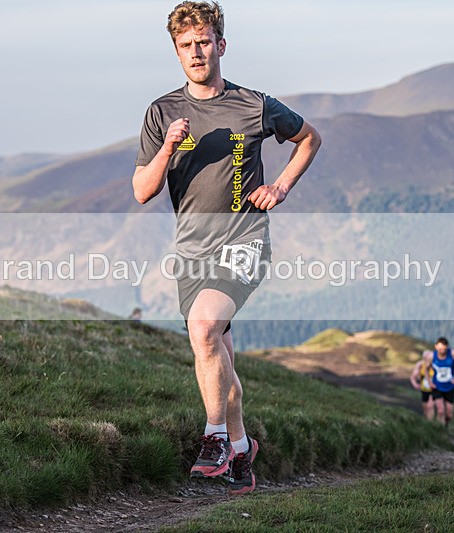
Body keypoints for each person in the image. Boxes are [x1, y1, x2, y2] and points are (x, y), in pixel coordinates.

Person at [132, 1, 321, 495]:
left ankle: (214, 436)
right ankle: (241, 448)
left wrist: (279, 187)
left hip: (244, 238)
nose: (196, 52)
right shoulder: (162, 112)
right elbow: (142, 190)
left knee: (204, 327)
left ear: (221, 44)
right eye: (185, 46)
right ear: (177, 53)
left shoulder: (253, 105)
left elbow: (308, 139)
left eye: (203, 42)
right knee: (215, 353)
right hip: (192, 249)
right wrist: (169, 148)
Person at [429, 337, 454, 428]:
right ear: (436, 346)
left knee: (449, 415)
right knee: (440, 411)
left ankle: (445, 425)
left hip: (450, 387)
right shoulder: (431, 356)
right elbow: (426, 368)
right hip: (437, 387)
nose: (441, 351)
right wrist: (430, 382)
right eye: (439, 349)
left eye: (444, 349)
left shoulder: (453, 354)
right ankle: (438, 429)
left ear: (447, 347)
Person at [410, 350, 435, 420]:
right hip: (424, 389)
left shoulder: (436, 365)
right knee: (425, 407)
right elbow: (413, 376)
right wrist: (415, 384)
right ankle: (426, 421)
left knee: (430, 406)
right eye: (426, 357)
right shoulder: (420, 365)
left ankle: (431, 424)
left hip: (434, 389)